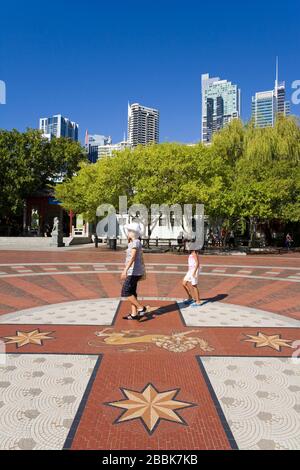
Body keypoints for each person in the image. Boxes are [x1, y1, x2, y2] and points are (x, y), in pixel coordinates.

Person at [121, 222, 149, 320]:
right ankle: (134, 314)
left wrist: (125, 270)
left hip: (133, 271)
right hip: (134, 271)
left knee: (125, 292)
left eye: (129, 231)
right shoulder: (132, 242)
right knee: (132, 292)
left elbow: (132, 257)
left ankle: (141, 308)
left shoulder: (136, 242)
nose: (127, 232)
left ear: (133, 232)